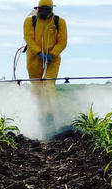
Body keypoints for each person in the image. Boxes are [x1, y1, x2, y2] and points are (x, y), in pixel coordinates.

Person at [23, 0, 67, 135]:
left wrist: (52, 54)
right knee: (36, 86)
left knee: (49, 84)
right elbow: (29, 39)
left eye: (48, 9)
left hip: (53, 58)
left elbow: (63, 41)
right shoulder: (30, 21)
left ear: (52, 9)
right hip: (34, 57)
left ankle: (53, 114)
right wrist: (39, 52)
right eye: (42, 9)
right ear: (37, 8)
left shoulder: (59, 22)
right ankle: (38, 114)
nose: (45, 12)